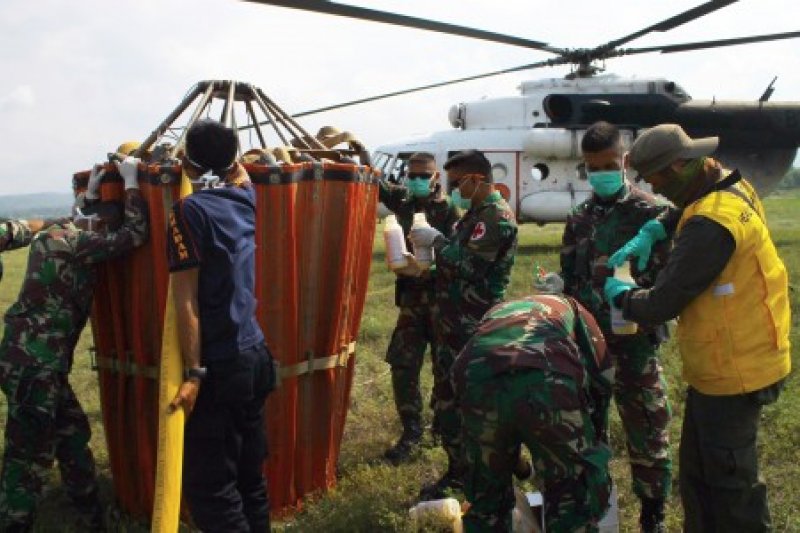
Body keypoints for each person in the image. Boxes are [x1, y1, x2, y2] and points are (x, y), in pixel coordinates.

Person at [605, 124, 791, 533]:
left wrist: (622, 296)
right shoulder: (728, 185)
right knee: (699, 476)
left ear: (678, 167)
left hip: (736, 371)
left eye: (656, 181)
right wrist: (657, 227)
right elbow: (695, 202)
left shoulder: (711, 225)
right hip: (723, 365)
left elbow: (661, 303)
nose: (657, 190)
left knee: (731, 487)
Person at [0, 159, 148, 532]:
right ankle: (13, 522)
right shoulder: (79, 243)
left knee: (72, 433)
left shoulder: (56, 235)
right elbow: (134, 234)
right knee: (28, 456)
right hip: (37, 365)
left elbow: (81, 220)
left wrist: (90, 194)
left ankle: (90, 515)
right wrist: (132, 185)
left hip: (29, 359)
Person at [561, 121, 672, 532]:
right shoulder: (579, 217)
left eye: (609, 164)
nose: (602, 173)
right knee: (589, 430)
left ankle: (652, 513)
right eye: (594, 167)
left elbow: (667, 279)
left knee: (646, 427)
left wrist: (635, 297)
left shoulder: (651, 213)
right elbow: (570, 277)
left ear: (625, 161)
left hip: (636, 343)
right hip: (589, 345)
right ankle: (598, 505)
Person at [166, 118, 275, 532]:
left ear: (189, 165)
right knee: (251, 478)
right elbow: (240, 172)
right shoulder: (246, 198)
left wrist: (194, 373)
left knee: (212, 489)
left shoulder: (187, 212)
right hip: (255, 356)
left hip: (219, 366)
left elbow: (186, 300)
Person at [452, 272, 613, 532]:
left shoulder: (500, 309)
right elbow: (603, 374)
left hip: (476, 377)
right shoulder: (574, 308)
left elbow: (494, 416)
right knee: (570, 497)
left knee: (486, 500)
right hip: (547, 382)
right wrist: (593, 440)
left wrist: (505, 458)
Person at [409, 149, 518, 499]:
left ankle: (489, 477)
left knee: (474, 404)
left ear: (475, 180)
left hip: (474, 326)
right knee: (447, 401)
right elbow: (456, 267)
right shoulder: (472, 215)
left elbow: (472, 268)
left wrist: (438, 242)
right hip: (452, 323)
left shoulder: (496, 217)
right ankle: (459, 471)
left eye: (456, 183)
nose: (452, 188)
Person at [378, 152, 459, 464]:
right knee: (403, 364)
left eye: (424, 175)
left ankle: (442, 427)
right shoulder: (405, 203)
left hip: (441, 301)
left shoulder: (449, 209)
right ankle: (412, 430)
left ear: (435, 177)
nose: (417, 181)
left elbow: (457, 254)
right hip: (411, 302)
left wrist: (430, 269)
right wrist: (359, 152)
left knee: (445, 368)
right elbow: (378, 185)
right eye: (412, 175)